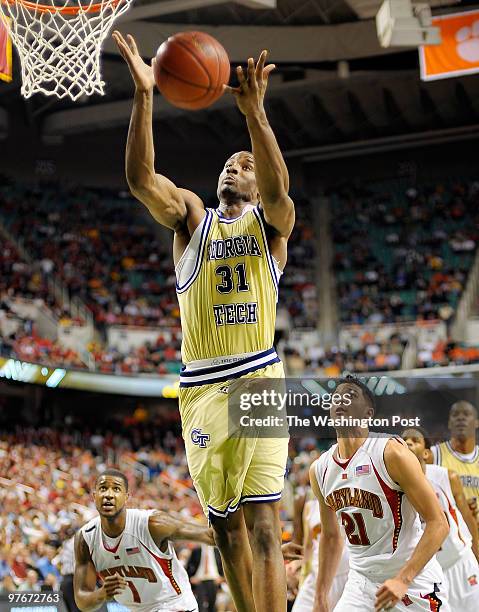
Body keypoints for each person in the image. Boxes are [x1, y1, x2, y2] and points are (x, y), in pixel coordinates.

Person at [112, 29, 295, 612]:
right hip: (207, 384)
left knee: (266, 525)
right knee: (226, 528)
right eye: (228, 163)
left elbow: (279, 190)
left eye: (243, 166)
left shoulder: (271, 227)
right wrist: (145, 96)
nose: (233, 168)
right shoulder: (193, 219)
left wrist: (255, 119)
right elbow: (142, 181)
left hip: (262, 376)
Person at [310, 376, 450, 611]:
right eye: (336, 398)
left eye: (351, 396)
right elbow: (331, 537)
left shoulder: (391, 453)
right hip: (361, 582)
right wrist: (320, 595)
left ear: (368, 414)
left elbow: (439, 523)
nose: (341, 401)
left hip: (412, 579)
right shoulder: (320, 469)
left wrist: (402, 579)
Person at [74, 468, 214, 612]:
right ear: (94, 495)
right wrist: (101, 594)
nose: (109, 495)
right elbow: (82, 601)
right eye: (103, 489)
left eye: (116, 489)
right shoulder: (86, 538)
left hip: (174, 605)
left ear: (126, 497)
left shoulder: (152, 524)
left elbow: (209, 535)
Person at [403, 427, 479, 610]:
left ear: (426, 453)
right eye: (404, 441)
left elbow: (468, 519)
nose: (408, 443)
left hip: (460, 563)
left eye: (415, 440)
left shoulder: (446, 477)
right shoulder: (394, 488)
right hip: (429, 574)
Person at [292, 496, 348, 612]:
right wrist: (298, 565)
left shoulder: (346, 501)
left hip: (344, 576)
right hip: (316, 575)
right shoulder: (310, 506)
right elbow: (308, 546)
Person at [431, 401, 479, 522]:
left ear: (476, 422)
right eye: (455, 414)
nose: (461, 418)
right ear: (449, 423)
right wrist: (461, 508)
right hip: (449, 536)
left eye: (466, 414)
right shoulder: (434, 455)